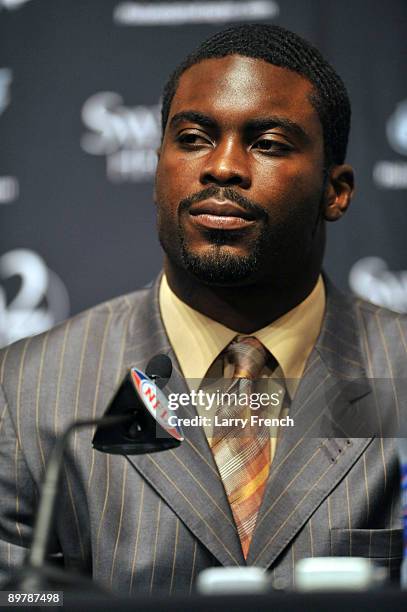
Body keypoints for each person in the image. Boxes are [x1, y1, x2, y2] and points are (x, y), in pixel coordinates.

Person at [0, 23, 405, 596]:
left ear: (335, 191)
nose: (222, 167)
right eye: (193, 138)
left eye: (267, 143)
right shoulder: (27, 392)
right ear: (159, 163)